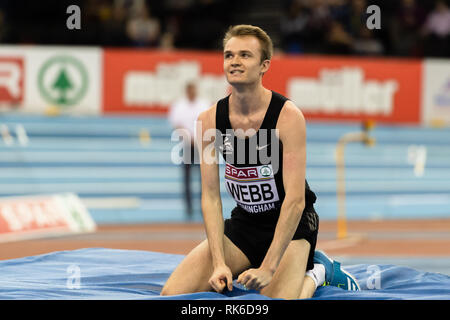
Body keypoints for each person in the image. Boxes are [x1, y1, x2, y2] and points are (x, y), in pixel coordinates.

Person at [161, 24, 359, 299]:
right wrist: (219, 262)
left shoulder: (287, 117)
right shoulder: (208, 120)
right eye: (229, 55)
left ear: (264, 65)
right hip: (245, 225)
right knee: (171, 294)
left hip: (292, 225)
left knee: (273, 301)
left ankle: (317, 272)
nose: (235, 62)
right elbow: (210, 196)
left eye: (245, 55)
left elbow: (295, 200)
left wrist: (268, 267)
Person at [168, 81, 209, 221]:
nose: (192, 92)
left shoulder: (203, 104)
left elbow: (208, 122)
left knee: (205, 177)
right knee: (186, 177)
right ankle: (189, 207)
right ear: (187, 91)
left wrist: (199, 138)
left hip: (200, 145)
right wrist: (187, 137)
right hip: (186, 145)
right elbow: (176, 124)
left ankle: (204, 205)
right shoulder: (179, 106)